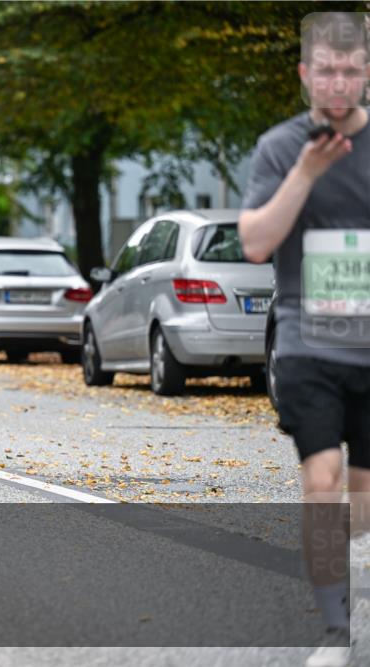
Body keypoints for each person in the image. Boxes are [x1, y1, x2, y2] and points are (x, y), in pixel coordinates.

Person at [238, 12, 369, 667]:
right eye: (326, 70)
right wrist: (307, 175)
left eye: (351, 70)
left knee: (364, 500)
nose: (338, 82)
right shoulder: (279, 149)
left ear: (368, 72)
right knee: (322, 480)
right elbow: (257, 242)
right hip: (307, 343)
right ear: (304, 75)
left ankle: (351, 574)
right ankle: (332, 629)